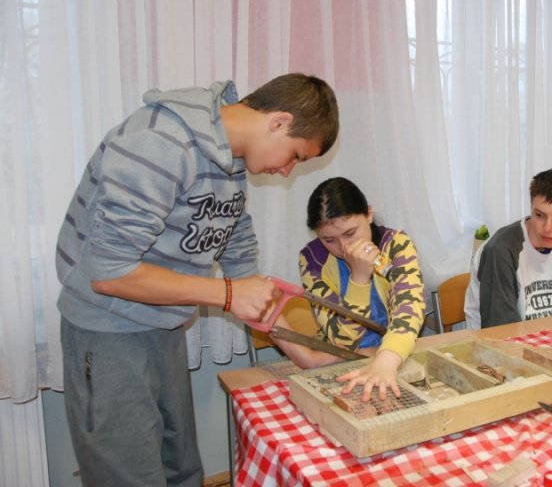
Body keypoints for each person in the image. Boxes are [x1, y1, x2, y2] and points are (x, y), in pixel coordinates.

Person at [55, 73, 339, 486]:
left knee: (182, 470)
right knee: (129, 477)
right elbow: (109, 272)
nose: (286, 171)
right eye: (295, 155)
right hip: (107, 331)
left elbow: (242, 265)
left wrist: (304, 355)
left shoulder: (230, 162)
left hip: (162, 326)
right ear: (279, 122)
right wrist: (227, 293)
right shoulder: (161, 142)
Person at [287, 177, 426, 401]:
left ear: (368, 214)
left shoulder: (396, 244)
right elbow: (342, 341)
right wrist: (359, 278)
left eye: (350, 233)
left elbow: (409, 311)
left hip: (395, 356)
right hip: (340, 363)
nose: (344, 247)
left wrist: (385, 361)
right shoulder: (312, 260)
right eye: (329, 240)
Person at [464, 168, 552, 329]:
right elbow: (500, 328)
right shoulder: (501, 250)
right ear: (531, 208)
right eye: (539, 215)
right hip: (496, 340)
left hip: (550, 339)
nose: (547, 228)